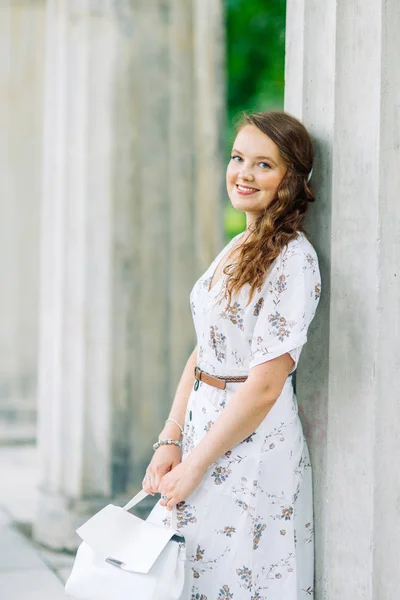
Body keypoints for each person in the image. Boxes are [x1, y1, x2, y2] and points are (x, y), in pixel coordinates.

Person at [142, 110, 321, 599]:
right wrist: (170, 439)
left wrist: (197, 463)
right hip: (204, 429)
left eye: (264, 165)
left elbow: (266, 384)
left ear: (291, 179)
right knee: (185, 577)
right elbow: (204, 351)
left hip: (251, 444)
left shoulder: (294, 259)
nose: (243, 173)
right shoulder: (241, 244)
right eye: (239, 157)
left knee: (240, 580)